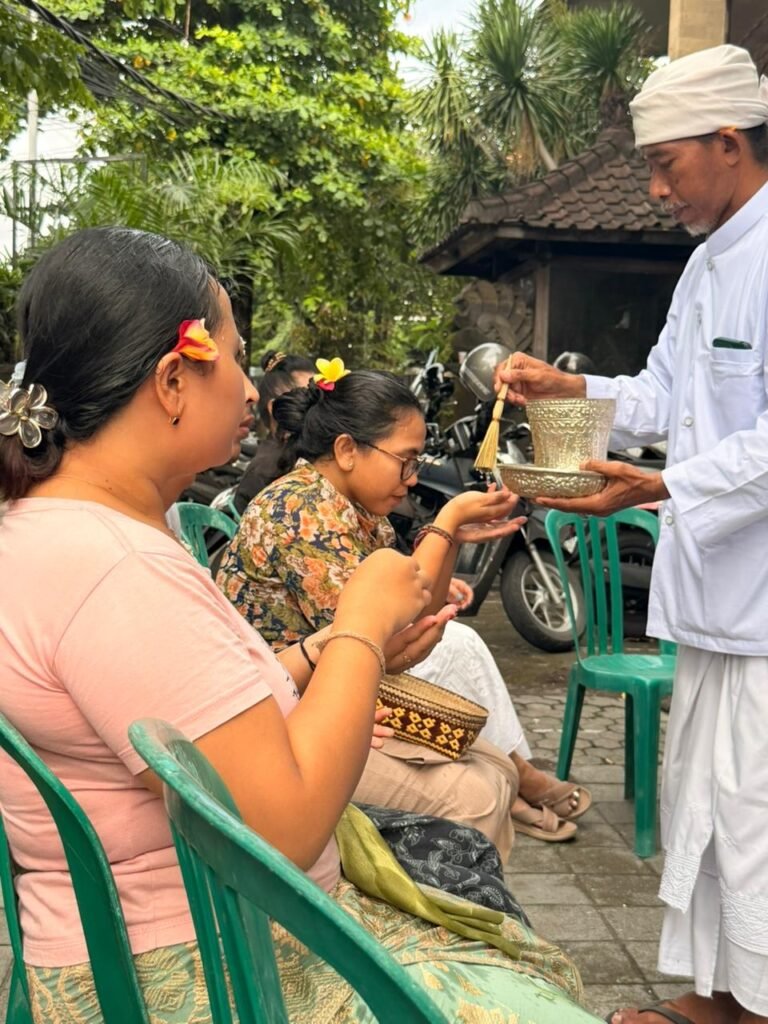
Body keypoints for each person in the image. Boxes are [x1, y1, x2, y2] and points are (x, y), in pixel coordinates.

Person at [0, 226, 600, 1024]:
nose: (252, 390)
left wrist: (325, 649)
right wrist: (358, 625)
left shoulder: (56, 531)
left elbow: (182, 720)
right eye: (238, 360)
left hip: (175, 931)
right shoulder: (112, 568)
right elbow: (277, 832)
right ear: (173, 380)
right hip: (210, 961)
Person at [497, 44, 768, 1024]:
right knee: (709, 812)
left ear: (730, 142)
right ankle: (719, 998)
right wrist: (569, 388)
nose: (656, 188)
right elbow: (659, 395)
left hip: (766, 611)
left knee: (759, 824)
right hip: (712, 607)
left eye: (668, 164)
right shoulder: (704, 268)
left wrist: (659, 485)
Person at [216, 368, 593, 847]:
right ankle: (443, 912)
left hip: (333, 699)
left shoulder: (358, 510)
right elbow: (389, 635)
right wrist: (448, 519)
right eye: (406, 461)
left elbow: (418, 617)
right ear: (348, 450)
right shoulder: (301, 509)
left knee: (500, 767)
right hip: (285, 723)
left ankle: (471, 907)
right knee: (479, 795)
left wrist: (449, 538)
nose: (412, 480)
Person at [233, 350, 315, 513]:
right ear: (275, 408)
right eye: (307, 396)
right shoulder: (266, 470)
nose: (319, 404)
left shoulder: (310, 455)